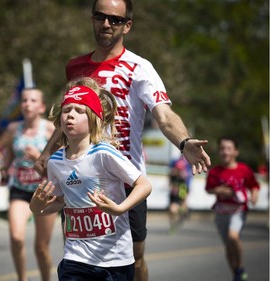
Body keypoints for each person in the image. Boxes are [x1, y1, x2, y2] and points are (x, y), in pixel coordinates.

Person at [34, 1, 211, 280]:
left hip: (126, 178)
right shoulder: (75, 67)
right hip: (84, 175)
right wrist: (47, 152)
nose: (106, 24)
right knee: (78, 253)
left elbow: (164, 116)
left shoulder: (140, 68)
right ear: (92, 19)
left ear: (127, 26)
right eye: (100, 17)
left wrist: (184, 141)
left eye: (115, 20)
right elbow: (70, 115)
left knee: (134, 257)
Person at [30, 77, 152, 281]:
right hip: (75, 257)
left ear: (94, 118)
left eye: (79, 111)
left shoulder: (104, 153)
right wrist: (36, 207)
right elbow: (60, 201)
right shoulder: (56, 162)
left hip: (115, 260)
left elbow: (144, 185)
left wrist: (120, 209)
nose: (70, 116)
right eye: (67, 110)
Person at [0, 88, 57, 281]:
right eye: (24, 100)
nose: (27, 104)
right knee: (16, 237)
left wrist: (39, 158)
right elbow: (9, 152)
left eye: (33, 100)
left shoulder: (50, 129)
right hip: (20, 189)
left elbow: (62, 160)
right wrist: (4, 170)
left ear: (41, 107)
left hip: (45, 191)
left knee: (41, 248)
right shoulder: (13, 128)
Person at [205, 137, 260, 281]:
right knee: (228, 246)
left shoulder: (243, 169)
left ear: (236, 152)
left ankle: (240, 266)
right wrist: (219, 190)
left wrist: (254, 195)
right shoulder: (215, 172)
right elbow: (209, 189)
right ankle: (236, 274)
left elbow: (254, 185)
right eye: (222, 148)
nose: (225, 152)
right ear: (219, 151)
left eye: (229, 149)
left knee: (233, 236)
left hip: (238, 210)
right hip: (221, 211)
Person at [168, 154, 192, 233]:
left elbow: (183, 193)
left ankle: (182, 213)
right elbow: (170, 182)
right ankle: (173, 224)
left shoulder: (183, 179)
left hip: (181, 192)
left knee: (178, 207)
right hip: (173, 195)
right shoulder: (173, 175)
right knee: (172, 210)